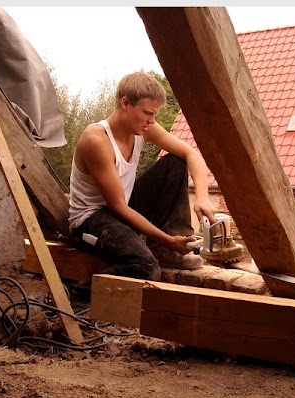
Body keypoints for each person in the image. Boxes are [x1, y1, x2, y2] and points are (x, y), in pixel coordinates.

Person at [67, 71, 216, 288]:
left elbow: (191, 154)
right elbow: (117, 206)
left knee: (175, 163)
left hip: (121, 210)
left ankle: (166, 251)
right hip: (91, 221)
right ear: (125, 103)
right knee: (146, 267)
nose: (152, 120)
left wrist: (202, 196)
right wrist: (169, 240)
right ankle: (66, 300)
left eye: (154, 114)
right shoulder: (96, 140)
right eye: (147, 113)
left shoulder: (143, 129)